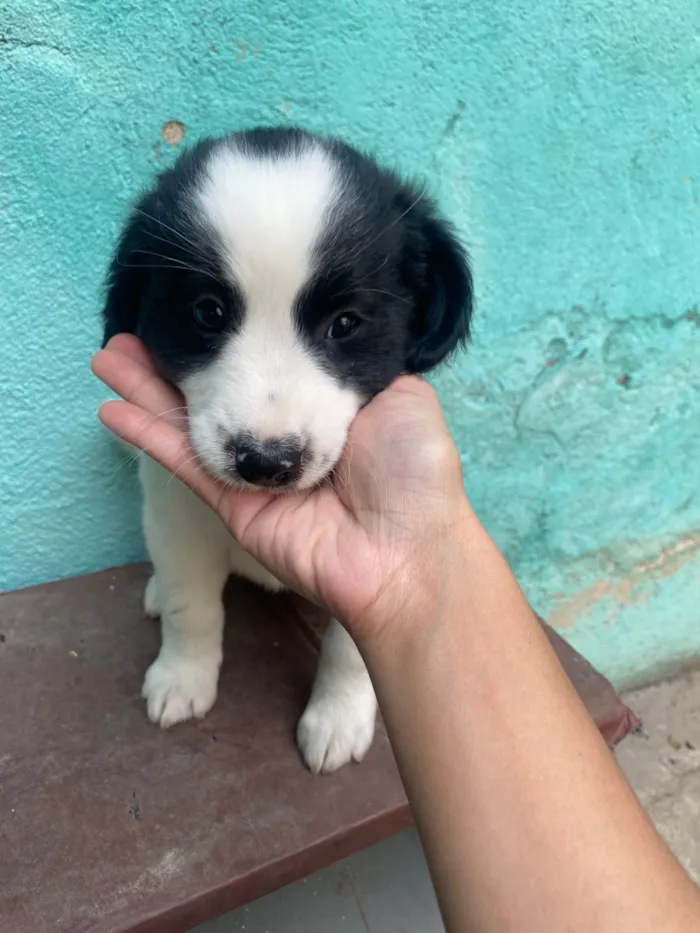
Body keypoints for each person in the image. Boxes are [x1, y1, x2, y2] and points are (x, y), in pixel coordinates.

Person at [93, 334, 700, 933]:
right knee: (183, 546)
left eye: (343, 326)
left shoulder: (379, 444)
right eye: (209, 314)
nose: (265, 417)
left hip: (339, 565)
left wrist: (361, 666)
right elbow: (174, 529)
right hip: (213, 531)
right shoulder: (190, 419)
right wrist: (189, 649)